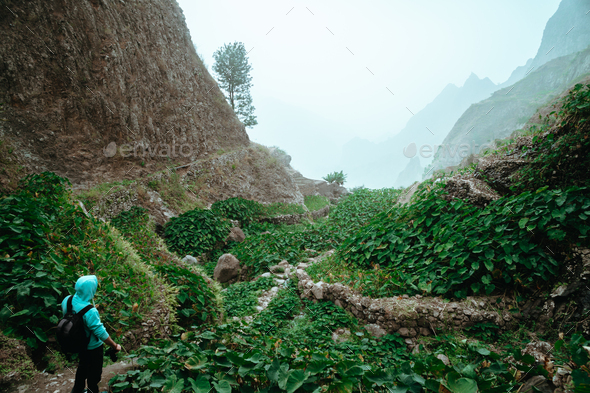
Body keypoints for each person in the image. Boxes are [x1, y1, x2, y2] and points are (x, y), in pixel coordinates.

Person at [61, 275, 121, 393]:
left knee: (82, 366)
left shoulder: (67, 300)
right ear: (91, 291)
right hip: (93, 348)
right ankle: (92, 390)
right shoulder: (90, 311)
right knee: (94, 374)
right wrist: (114, 346)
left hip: (78, 344)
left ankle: (77, 390)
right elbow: (101, 333)